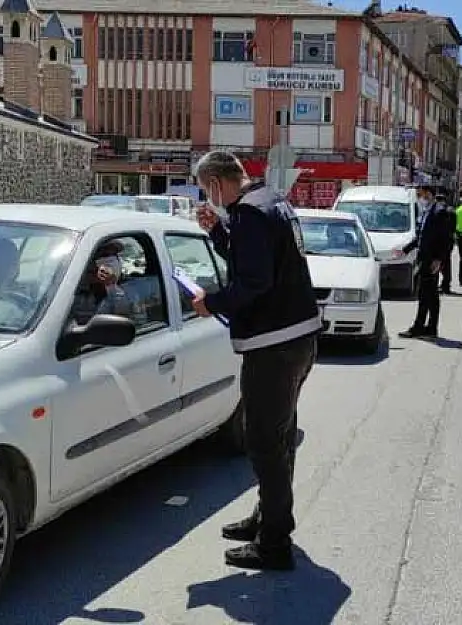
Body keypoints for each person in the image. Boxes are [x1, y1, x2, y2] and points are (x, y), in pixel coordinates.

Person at [189, 150, 321, 571]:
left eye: (205, 191)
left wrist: (211, 302)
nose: (208, 200)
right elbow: (257, 259)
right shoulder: (271, 201)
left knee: (264, 441)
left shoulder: (248, 214)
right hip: (297, 338)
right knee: (280, 437)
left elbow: (253, 281)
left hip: (274, 345)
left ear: (214, 184)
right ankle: (269, 518)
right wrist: (218, 234)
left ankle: (274, 543)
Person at [398, 185, 451, 339]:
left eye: (421, 194)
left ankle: (418, 327)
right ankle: (431, 328)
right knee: (432, 295)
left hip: (431, 260)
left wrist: (438, 260)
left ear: (429, 194)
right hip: (425, 258)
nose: (420, 197)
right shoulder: (427, 211)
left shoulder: (439, 212)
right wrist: (405, 249)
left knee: (424, 294)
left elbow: (446, 239)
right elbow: (421, 237)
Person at [69, 239, 147, 325]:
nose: (110, 260)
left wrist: (111, 287)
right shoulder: (73, 292)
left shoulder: (128, 291)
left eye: (113, 255)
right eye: (104, 255)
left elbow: (136, 324)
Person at [433, 194, 457, 294]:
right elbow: (454, 227)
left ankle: (435, 285)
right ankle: (446, 285)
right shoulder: (451, 211)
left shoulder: (434, 210)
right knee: (446, 263)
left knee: (436, 262)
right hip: (448, 240)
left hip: (436, 240)